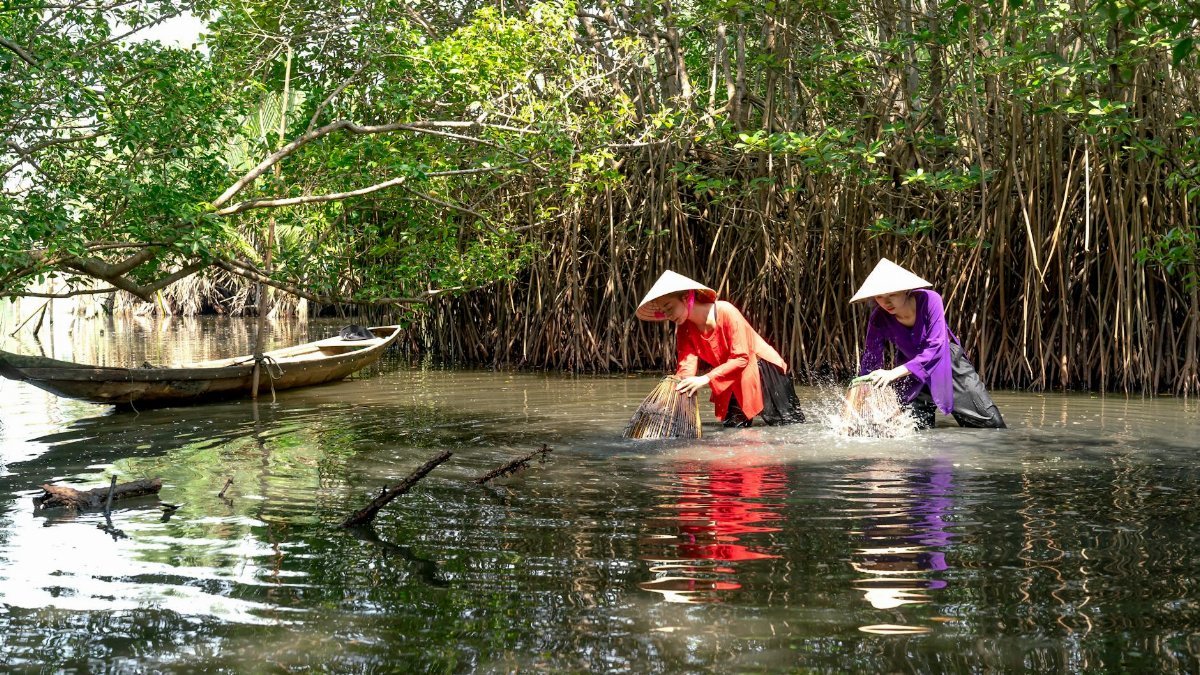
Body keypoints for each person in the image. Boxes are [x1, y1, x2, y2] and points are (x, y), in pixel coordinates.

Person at [851, 258, 1006, 429]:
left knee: (992, 426)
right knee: (914, 429)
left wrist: (893, 373)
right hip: (910, 369)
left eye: (892, 295)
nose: (886, 302)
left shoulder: (930, 299)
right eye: (880, 296)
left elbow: (937, 346)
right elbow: (871, 357)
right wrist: (863, 385)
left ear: (905, 290)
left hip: (947, 362)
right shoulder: (878, 318)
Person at [636, 270, 804, 427]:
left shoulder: (725, 311)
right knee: (733, 429)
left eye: (669, 307)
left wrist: (705, 379)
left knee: (788, 426)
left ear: (686, 298)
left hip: (764, 369)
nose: (669, 315)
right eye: (664, 311)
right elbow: (686, 368)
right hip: (730, 374)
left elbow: (741, 358)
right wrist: (671, 396)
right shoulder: (684, 328)